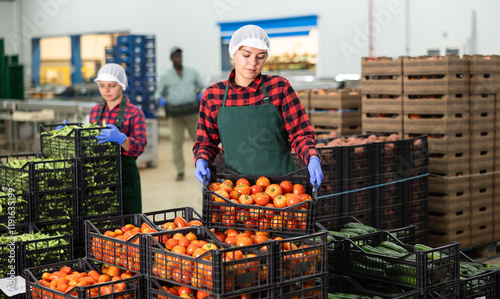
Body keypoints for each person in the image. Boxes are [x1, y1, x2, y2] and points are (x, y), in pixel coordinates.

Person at [193, 25, 324, 190]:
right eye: (246, 55)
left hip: (284, 189)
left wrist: (312, 158)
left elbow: (300, 133)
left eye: (260, 57)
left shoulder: (279, 87)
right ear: (233, 52)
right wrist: (201, 160)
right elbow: (206, 142)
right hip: (237, 190)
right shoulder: (213, 95)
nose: (252, 63)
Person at [90, 63, 147, 215]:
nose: (106, 90)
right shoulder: (95, 112)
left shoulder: (134, 113)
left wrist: (122, 139)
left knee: (128, 222)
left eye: (112, 85)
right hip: (100, 175)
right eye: (102, 86)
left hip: (125, 177)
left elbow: (140, 147)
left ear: (122, 85)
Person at [155, 46, 205, 181]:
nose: (179, 58)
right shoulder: (166, 76)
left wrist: (202, 94)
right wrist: (161, 99)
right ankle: (180, 171)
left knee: (200, 141)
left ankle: (205, 166)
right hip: (175, 114)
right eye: (176, 56)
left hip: (192, 113)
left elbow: (203, 86)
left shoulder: (192, 73)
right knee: (176, 143)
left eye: (180, 55)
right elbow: (158, 93)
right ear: (171, 58)